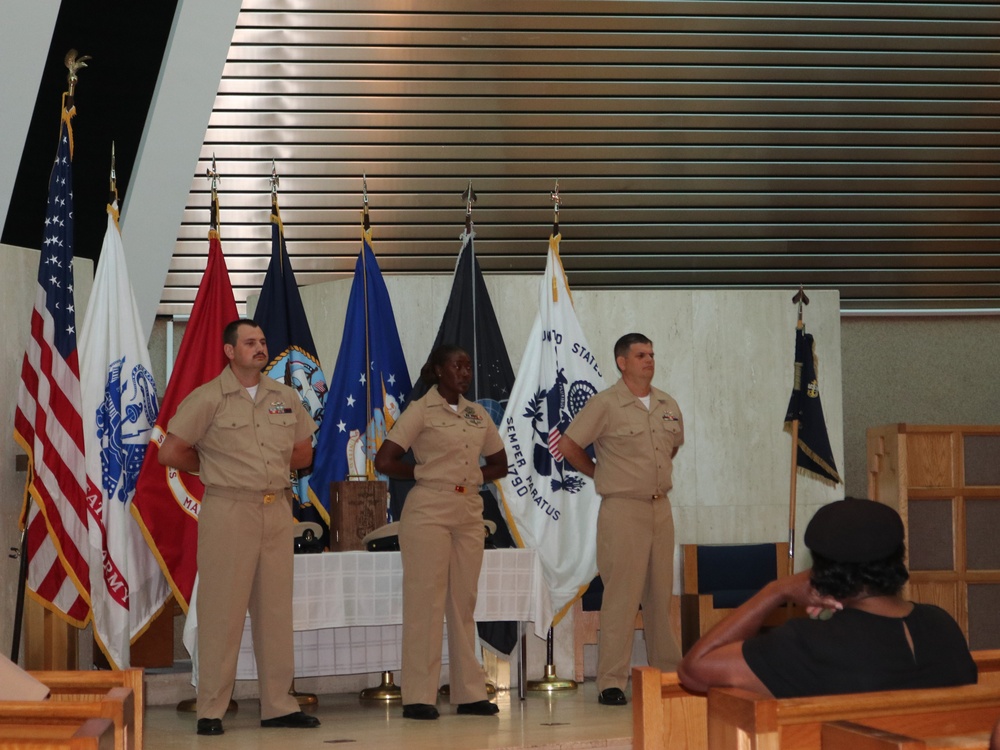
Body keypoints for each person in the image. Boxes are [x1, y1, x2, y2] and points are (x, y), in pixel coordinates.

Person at [158, 318, 321, 736]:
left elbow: (303, 453)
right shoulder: (209, 397)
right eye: (250, 342)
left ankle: (279, 706)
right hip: (229, 510)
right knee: (221, 614)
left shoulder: (284, 396)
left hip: (276, 510)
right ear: (229, 351)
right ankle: (211, 708)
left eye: (263, 341)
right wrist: (215, 467)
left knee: (275, 613)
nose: (260, 348)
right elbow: (172, 451)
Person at [678, 497, 977, 698]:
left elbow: (693, 671)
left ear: (821, 570)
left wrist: (776, 590)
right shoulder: (941, 624)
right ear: (897, 558)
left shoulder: (809, 642)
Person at [373, 344, 508, 720]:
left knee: (463, 604)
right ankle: (418, 695)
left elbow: (501, 463)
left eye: (467, 366)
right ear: (437, 371)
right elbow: (384, 459)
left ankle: (469, 693)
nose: (464, 373)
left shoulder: (476, 413)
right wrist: (422, 473)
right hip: (429, 509)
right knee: (425, 604)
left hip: (468, 511)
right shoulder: (421, 410)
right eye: (456, 366)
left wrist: (475, 476)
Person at [558, 332, 684, 706]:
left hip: (660, 509)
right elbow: (568, 446)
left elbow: (670, 448)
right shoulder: (605, 404)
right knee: (622, 598)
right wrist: (602, 475)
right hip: (622, 511)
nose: (649, 359)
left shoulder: (666, 403)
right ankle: (611, 682)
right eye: (641, 354)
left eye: (652, 353)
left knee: (661, 597)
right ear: (622, 362)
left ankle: (668, 674)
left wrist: (648, 478)